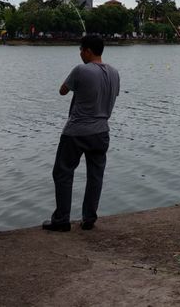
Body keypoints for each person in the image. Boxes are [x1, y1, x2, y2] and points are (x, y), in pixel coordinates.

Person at [43, 34, 120, 232]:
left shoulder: (81, 70)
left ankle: (61, 220)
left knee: (62, 172)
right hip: (102, 131)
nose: (79, 54)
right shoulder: (114, 73)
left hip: (77, 131)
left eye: (80, 50)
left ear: (87, 50)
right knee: (96, 175)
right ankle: (89, 218)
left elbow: (62, 90)